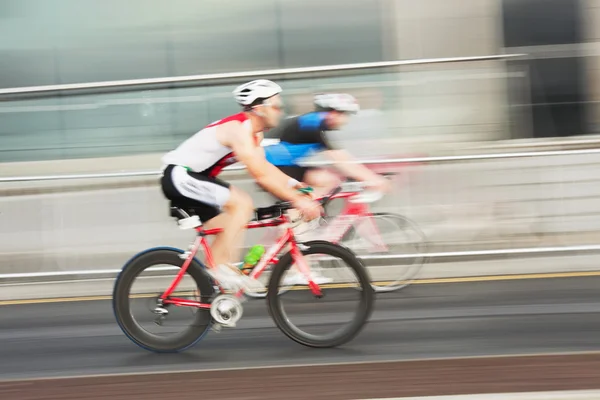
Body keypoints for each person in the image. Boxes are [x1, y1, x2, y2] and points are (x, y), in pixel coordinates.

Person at [160, 79, 322, 291]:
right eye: (276, 106)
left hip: (195, 179)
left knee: (228, 223)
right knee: (242, 204)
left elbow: (265, 167)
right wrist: (298, 201)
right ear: (259, 108)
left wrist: (296, 185)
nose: (280, 112)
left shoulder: (255, 134)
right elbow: (260, 176)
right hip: (180, 175)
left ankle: (215, 291)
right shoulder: (238, 130)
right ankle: (220, 271)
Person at [264, 93, 391, 202]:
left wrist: (367, 177)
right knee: (326, 182)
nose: (346, 121)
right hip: (278, 169)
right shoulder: (311, 123)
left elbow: (342, 159)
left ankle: (302, 218)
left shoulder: (313, 122)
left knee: (326, 180)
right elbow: (340, 159)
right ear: (334, 113)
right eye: (346, 115)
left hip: (283, 167)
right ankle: (301, 219)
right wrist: (374, 180)